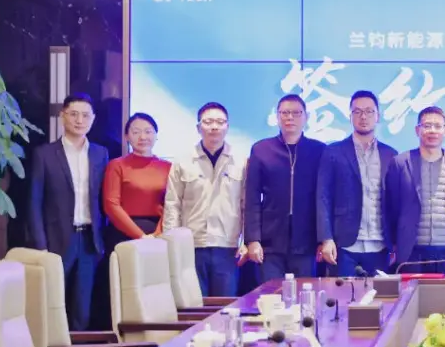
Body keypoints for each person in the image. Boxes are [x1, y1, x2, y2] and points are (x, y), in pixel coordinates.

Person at [27, 93, 108, 331]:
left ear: (93, 119)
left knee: (82, 307)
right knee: (52, 302)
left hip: (89, 240)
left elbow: (104, 198)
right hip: (57, 239)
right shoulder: (44, 154)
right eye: (73, 114)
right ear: (62, 116)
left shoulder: (100, 153)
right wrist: (40, 244)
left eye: (85, 115)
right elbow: (34, 201)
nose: (79, 120)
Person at [163, 102, 247, 296]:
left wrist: (246, 240)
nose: (214, 127)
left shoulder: (240, 161)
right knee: (193, 304)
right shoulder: (183, 161)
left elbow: (246, 205)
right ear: (198, 127)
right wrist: (172, 242)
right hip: (191, 245)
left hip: (227, 246)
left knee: (225, 305)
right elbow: (173, 204)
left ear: (227, 127)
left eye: (220, 122)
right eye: (208, 122)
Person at [245, 95, 326, 281]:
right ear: (277, 116)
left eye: (296, 113)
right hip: (270, 242)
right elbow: (252, 197)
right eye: (285, 113)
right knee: (270, 294)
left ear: (306, 117)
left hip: (306, 241)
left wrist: (324, 238)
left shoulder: (319, 150)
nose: (290, 117)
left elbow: (324, 198)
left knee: (305, 294)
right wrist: (253, 239)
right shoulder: (261, 149)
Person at [317, 90, 397, 277]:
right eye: (357, 111)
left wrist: (396, 242)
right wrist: (326, 238)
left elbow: (395, 202)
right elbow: (323, 198)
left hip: (380, 246)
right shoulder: (333, 152)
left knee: (379, 295)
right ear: (350, 116)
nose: (363, 117)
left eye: (369, 111)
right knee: (342, 295)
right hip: (344, 245)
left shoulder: (391, 155)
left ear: (378, 116)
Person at [384, 106, 445, 273]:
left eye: (438, 126)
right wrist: (392, 244)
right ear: (417, 130)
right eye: (427, 125)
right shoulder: (400, 163)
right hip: (411, 251)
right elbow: (390, 207)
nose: (432, 130)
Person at [102, 112, 171, 249]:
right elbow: (111, 205)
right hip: (124, 234)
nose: (143, 137)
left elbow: (171, 204)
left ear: (156, 135)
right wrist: (141, 236)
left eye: (148, 131)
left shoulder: (168, 167)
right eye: (136, 132)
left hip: (159, 234)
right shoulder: (117, 165)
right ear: (127, 136)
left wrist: (157, 234)